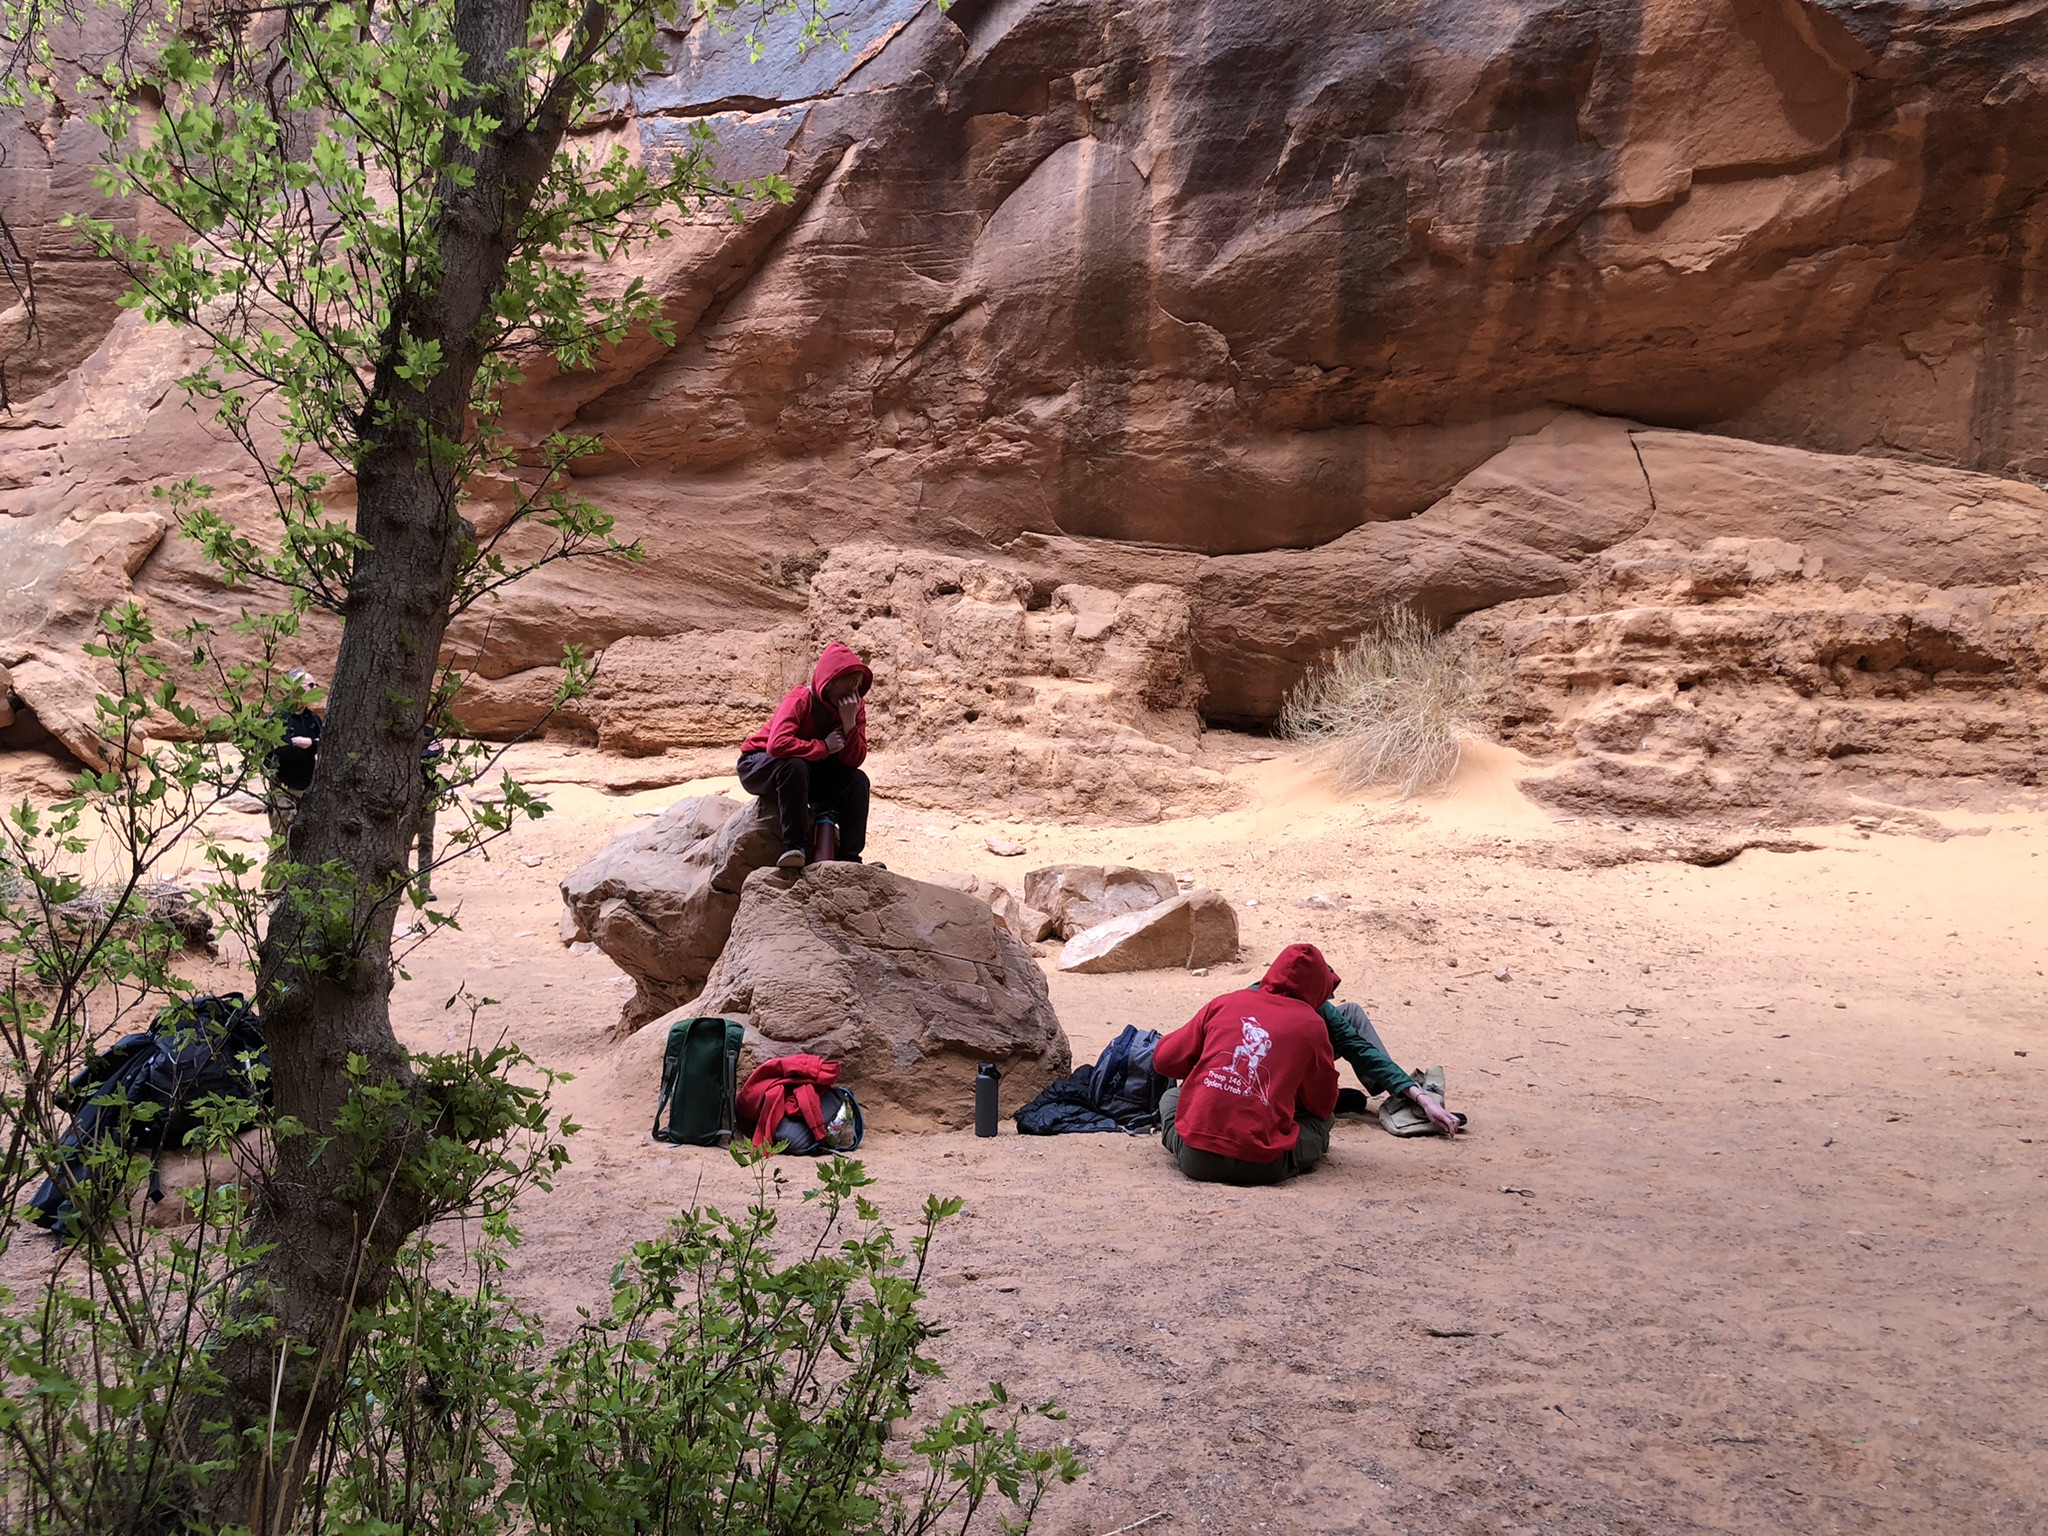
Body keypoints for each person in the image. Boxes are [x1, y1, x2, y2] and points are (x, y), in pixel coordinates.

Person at [1152, 943, 1345, 1186]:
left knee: (1171, 1096)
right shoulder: (1312, 1025)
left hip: (1197, 1160)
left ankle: (1196, 1140)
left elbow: (1164, 1060)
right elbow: (1323, 1105)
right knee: (1324, 1121)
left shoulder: (1225, 1003)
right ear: (1320, 988)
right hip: (1264, 1166)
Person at [736, 642, 873, 869]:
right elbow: (777, 744)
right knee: (794, 765)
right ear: (829, 683)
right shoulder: (801, 697)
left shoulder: (854, 709)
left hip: (806, 771)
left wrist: (849, 725)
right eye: (846, 688)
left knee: (858, 780)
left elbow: (855, 761)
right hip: (759, 764)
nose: (852, 695)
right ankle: (794, 846)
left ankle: (850, 859)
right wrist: (823, 747)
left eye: (855, 688)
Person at [263, 669, 323, 847]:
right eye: (310, 685)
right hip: (283, 789)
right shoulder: (278, 718)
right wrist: (313, 746)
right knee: (281, 843)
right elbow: (284, 752)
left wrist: (309, 744)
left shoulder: (313, 719)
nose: (315, 689)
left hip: (307, 791)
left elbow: (327, 745)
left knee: (306, 843)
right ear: (294, 688)